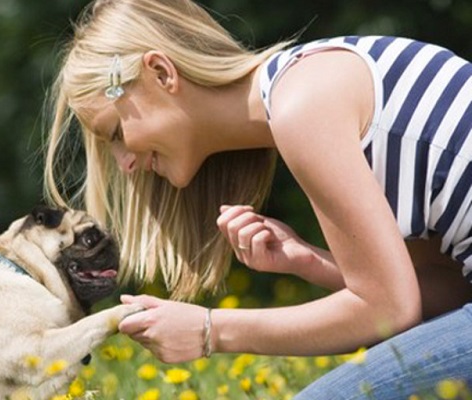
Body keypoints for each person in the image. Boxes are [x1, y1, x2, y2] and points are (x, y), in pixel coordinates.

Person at [43, 0, 472, 398]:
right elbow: (443, 291)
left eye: (117, 133)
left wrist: (210, 330)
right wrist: (309, 261)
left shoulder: (302, 105)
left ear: (161, 73)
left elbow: (390, 311)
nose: (124, 164)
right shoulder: (308, 85)